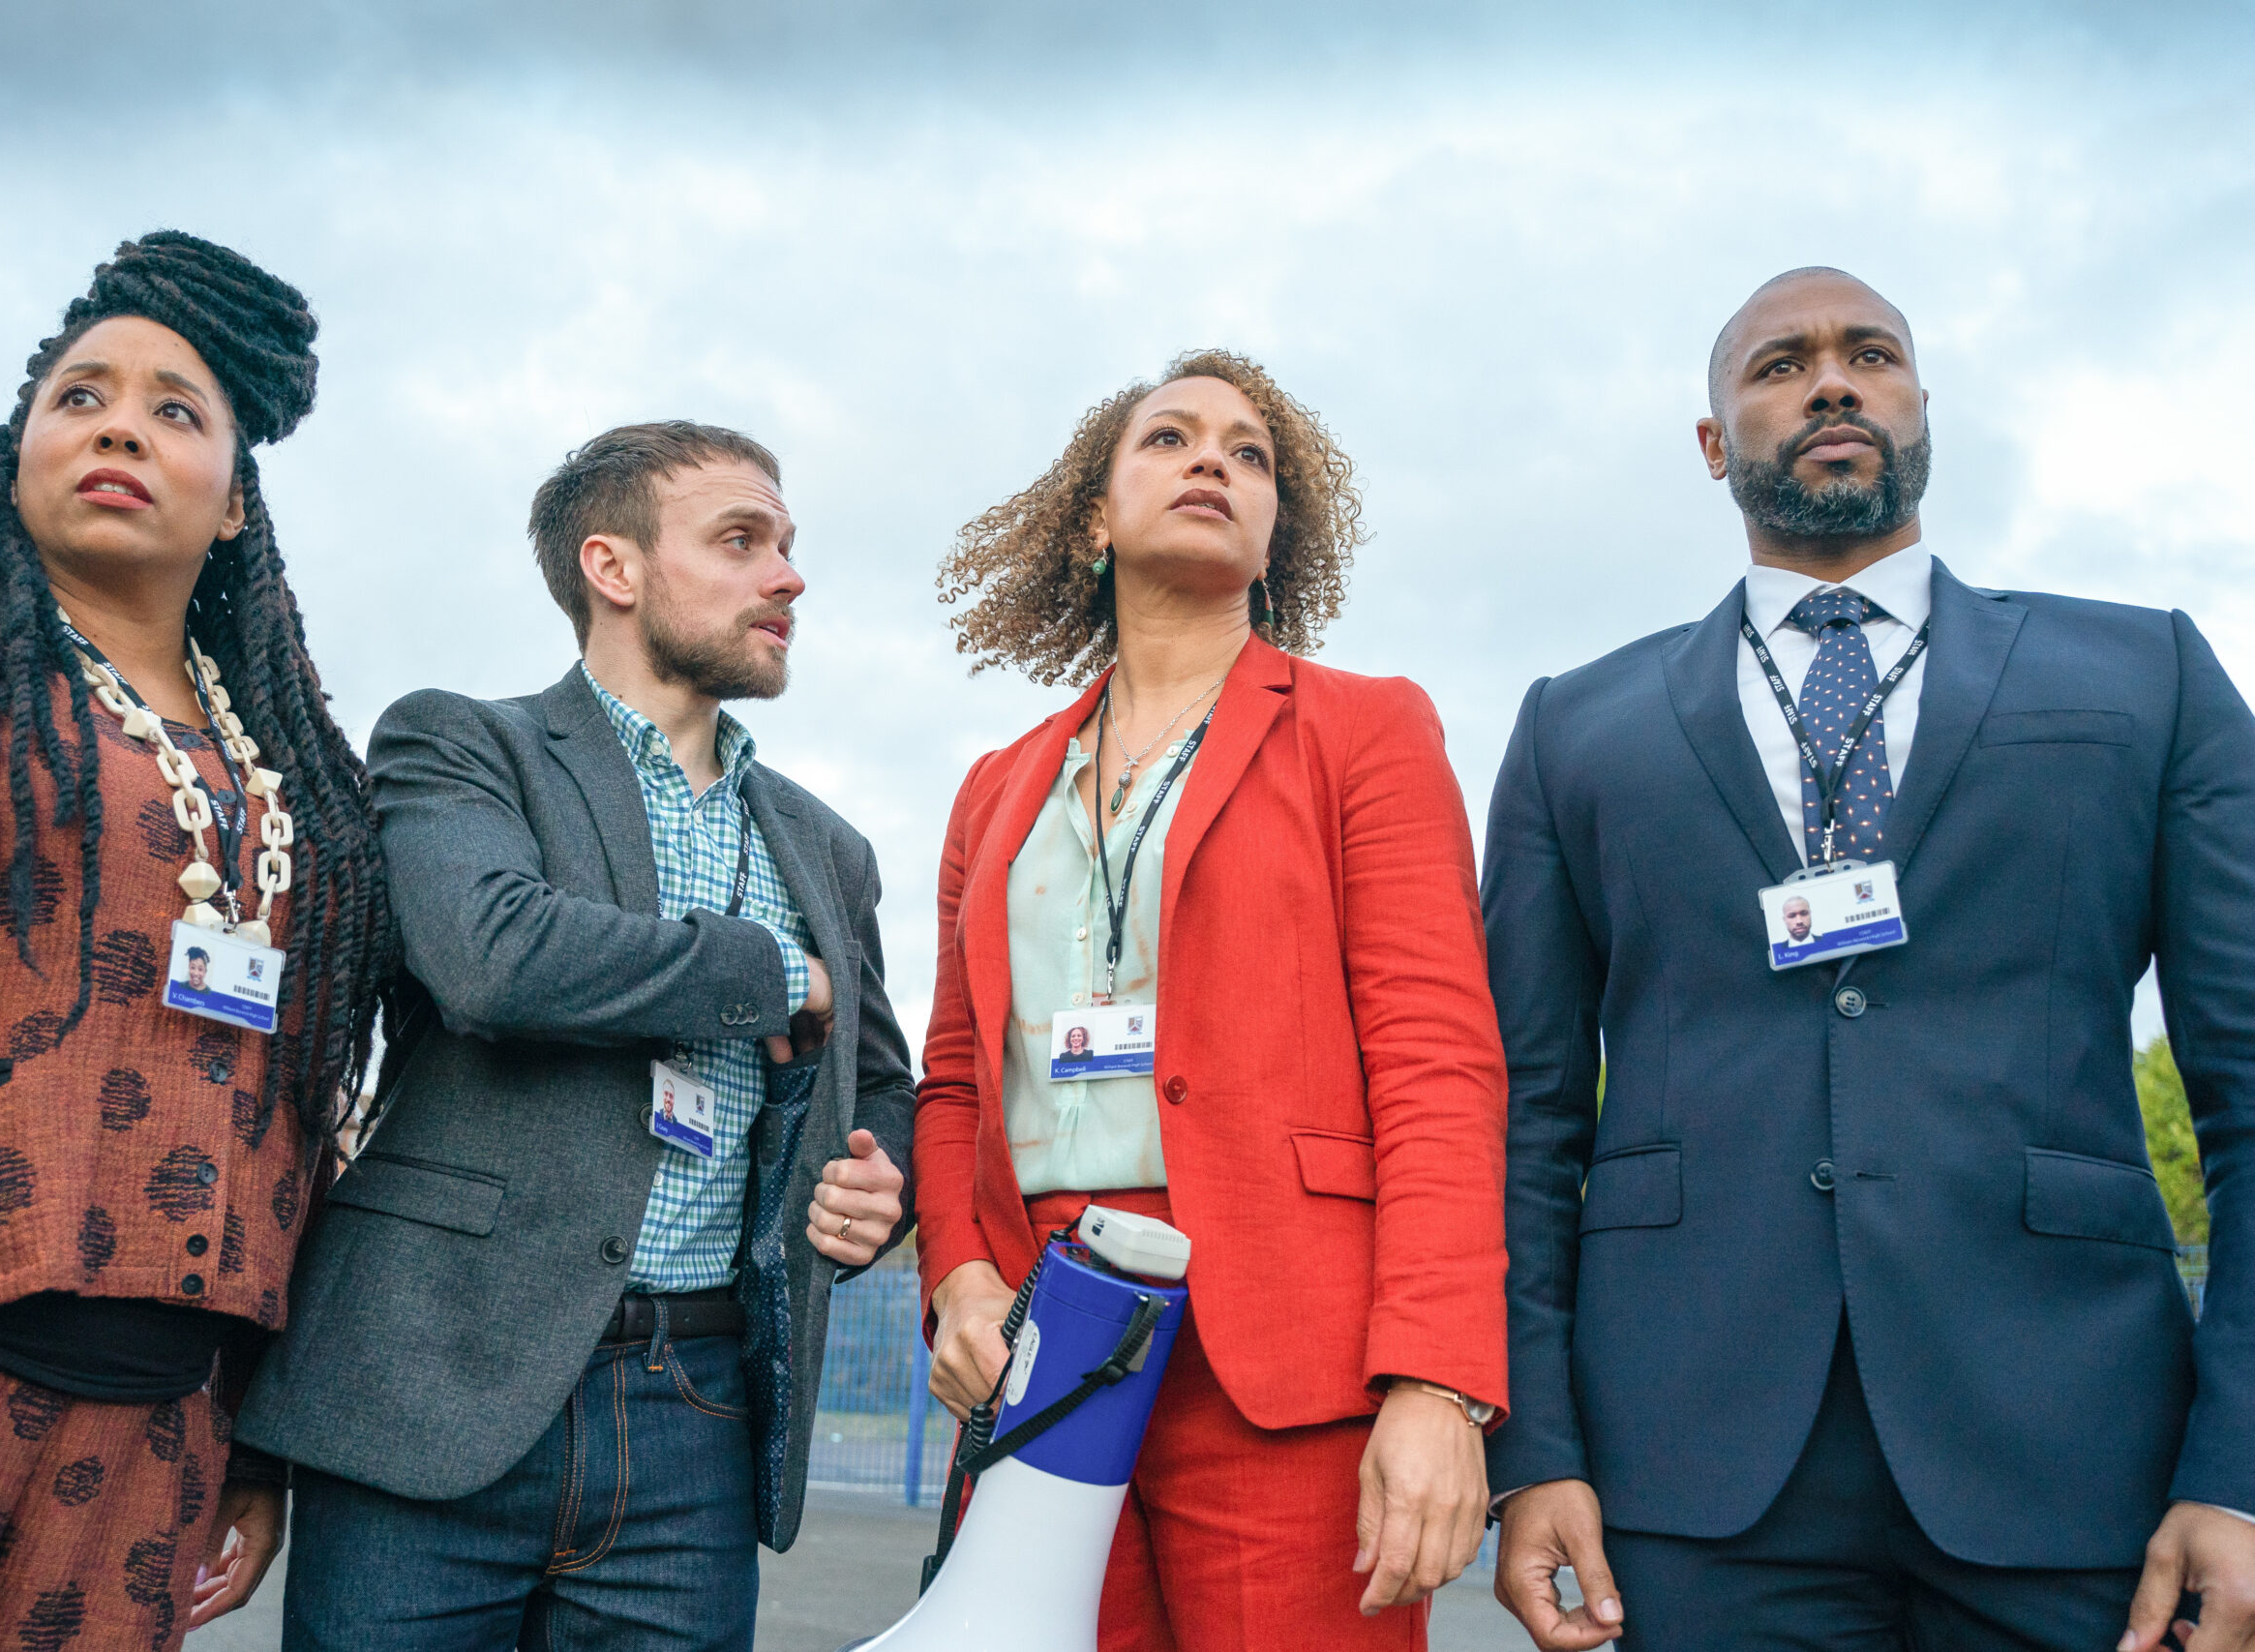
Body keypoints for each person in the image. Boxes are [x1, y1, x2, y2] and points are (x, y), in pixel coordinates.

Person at [1482, 267, 2255, 1652]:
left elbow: (2249, 1095)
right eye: (1779, 364)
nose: (1831, 381)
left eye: (1870, 355)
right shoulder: (1573, 728)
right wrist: (1535, 1446)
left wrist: (2244, 1473)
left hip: (2076, 1455)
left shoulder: (2152, 675)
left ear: (1920, 408)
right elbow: (1525, 1122)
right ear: (1716, 445)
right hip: (1688, 1466)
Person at [0, 233, 395, 1649]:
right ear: (19, 451)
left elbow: (297, 1115)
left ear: (236, 503)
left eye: (176, 409)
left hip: (156, 1428)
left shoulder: (304, 791)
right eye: (81, 395)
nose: (119, 420)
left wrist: (251, 1436)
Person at [235, 421, 917, 1650]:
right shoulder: (459, 743)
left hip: (695, 1418)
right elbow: (495, 958)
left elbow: (878, 1080)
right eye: (740, 540)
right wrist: (775, 972)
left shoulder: (829, 848)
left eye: (789, 547)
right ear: (614, 567)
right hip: (434, 1394)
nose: (788, 578)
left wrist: (882, 1186)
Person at [918, 350, 1509, 1647]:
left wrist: (1438, 1380)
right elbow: (955, 1078)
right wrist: (957, 1278)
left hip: (1284, 1354)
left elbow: (1437, 1063)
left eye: (1249, 454)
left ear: (1275, 527)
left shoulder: (1367, 728)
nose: (1212, 462)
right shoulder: (994, 787)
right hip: (1041, 1338)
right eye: (1171, 438)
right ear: (1093, 514)